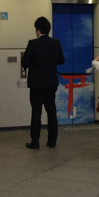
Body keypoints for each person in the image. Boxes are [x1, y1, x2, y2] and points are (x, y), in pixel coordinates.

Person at [21, 17, 65, 149]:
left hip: (36, 84)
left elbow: (24, 62)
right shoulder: (56, 43)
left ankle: (35, 142)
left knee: (36, 112)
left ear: (38, 30)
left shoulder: (33, 43)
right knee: (51, 111)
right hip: (51, 83)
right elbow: (61, 60)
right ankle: (52, 141)